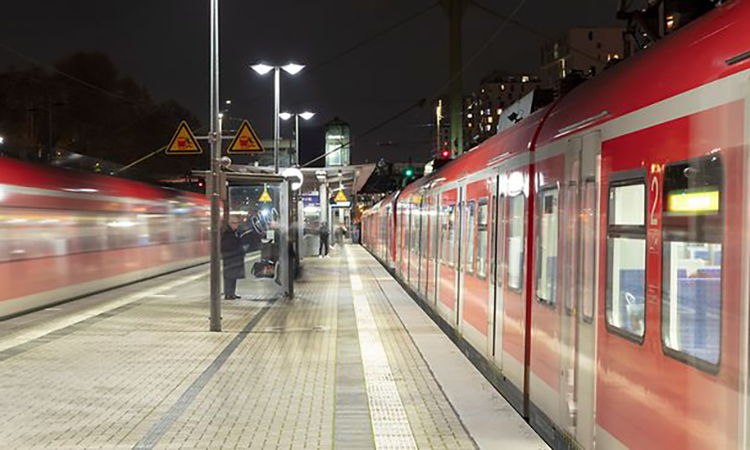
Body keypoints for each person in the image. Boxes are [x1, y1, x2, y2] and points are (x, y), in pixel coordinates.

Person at [221, 216, 246, 299]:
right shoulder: (227, 233)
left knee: (233, 277)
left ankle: (232, 293)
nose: (237, 225)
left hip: (234, 258)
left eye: (237, 223)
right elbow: (227, 246)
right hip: (230, 258)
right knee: (229, 277)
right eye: (235, 223)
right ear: (230, 224)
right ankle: (228, 294)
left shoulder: (235, 232)